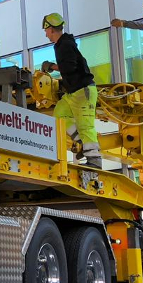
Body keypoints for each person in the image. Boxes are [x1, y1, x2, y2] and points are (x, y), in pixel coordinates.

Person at [40, 13, 102, 169]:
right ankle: (81, 142)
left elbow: (70, 67)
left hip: (83, 91)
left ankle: (94, 160)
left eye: (46, 30)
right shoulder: (62, 44)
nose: (45, 34)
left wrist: (51, 67)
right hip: (73, 93)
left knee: (85, 125)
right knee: (59, 115)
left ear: (51, 29)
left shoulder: (65, 45)